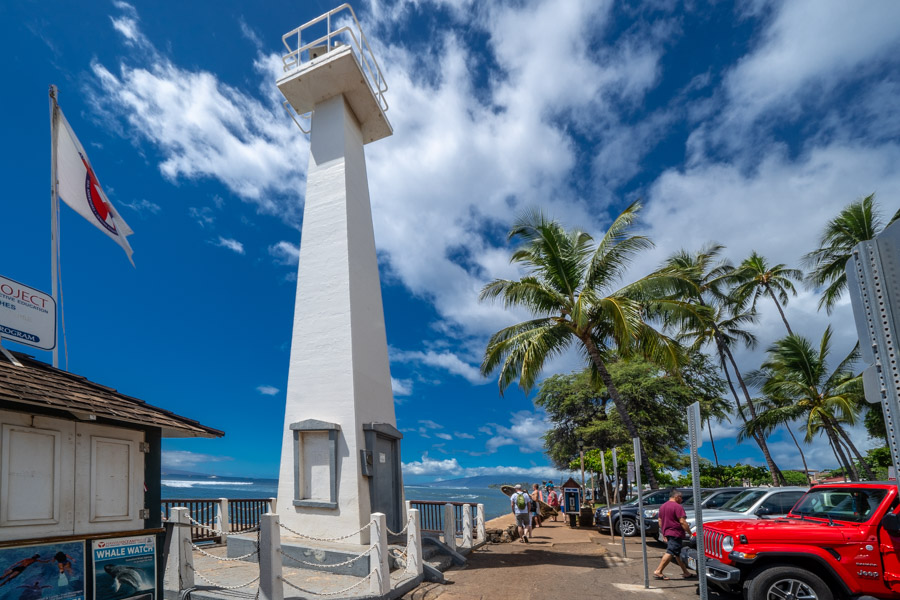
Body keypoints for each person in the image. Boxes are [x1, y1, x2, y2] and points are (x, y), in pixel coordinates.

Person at [653, 490, 696, 580]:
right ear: (677, 497)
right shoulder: (678, 507)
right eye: (681, 498)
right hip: (675, 533)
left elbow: (660, 520)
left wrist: (664, 532)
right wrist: (690, 533)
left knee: (678, 553)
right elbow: (682, 521)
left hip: (668, 532)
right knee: (671, 551)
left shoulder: (663, 506)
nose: (682, 499)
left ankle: (686, 572)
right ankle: (658, 571)